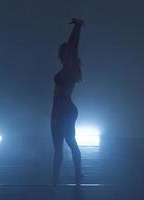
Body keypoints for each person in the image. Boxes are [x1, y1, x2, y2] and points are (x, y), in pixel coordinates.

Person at [51, 18, 84, 186]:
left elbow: (73, 47)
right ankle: (78, 174)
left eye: (62, 52)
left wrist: (77, 28)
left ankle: (55, 182)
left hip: (62, 111)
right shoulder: (69, 70)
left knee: (60, 148)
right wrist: (78, 28)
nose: (60, 55)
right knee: (70, 143)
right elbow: (73, 48)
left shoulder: (68, 69)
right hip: (65, 110)